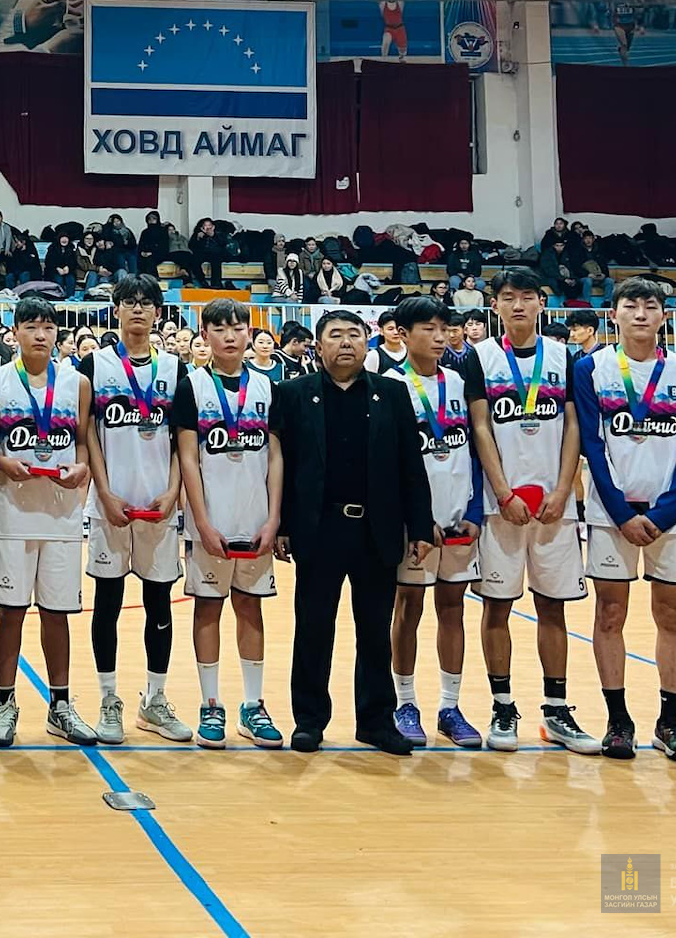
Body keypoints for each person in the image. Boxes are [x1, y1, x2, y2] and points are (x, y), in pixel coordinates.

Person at [270, 309, 433, 755]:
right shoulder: (293, 393)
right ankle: (309, 720)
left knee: (375, 631)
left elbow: (411, 463)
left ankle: (376, 721)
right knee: (313, 629)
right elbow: (283, 466)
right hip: (318, 529)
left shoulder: (391, 393)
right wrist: (283, 525)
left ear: (367, 343)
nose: (346, 342)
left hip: (376, 530)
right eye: (335, 335)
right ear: (319, 345)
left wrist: (420, 526)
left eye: (354, 335)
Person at [573, 277, 676, 763]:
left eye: (651, 306)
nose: (641, 314)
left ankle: (670, 723)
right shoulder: (591, 369)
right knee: (610, 614)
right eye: (631, 305)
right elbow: (592, 444)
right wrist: (622, 512)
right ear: (614, 314)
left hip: (670, 515)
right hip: (613, 514)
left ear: (664, 316)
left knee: (671, 616)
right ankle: (618, 722)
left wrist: (667, 510)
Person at [471, 268, 595, 754]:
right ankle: (502, 707)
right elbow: (481, 426)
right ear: (495, 305)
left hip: (553, 507)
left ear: (542, 303)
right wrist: (503, 492)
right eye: (508, 297)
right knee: (497, 606)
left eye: (527, 296)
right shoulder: (479, 357)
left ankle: (557, 710)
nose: (518, 304)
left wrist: (564, 489)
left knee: (552, 606)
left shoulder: (565, 357)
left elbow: (573, 425)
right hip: (498, 507)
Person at [0, 295, 99, 747]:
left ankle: (60, 705)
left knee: (57, 612)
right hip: (12, 513)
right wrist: (0, 463)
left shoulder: (77, 383)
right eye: (31, 326)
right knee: (10, 612)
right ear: (15, 332)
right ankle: (4, 703)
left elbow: (83, 440)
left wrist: (82, 468)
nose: (40, 335)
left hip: (61, 513)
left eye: (48, 327)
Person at [80, 274, 193, 744]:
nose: (139, 310)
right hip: (110, 505)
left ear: (158, 313)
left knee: (158, 603)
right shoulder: (95, 364)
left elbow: (182, 438)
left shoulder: (176, 368)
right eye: (130, 302)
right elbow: (87, 433)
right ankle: (109, 699)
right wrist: (104, 492)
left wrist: (173, 491)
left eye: (147, 303)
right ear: (117, 310)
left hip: (158, 507)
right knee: (107, 603)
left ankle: (155, 699)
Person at [179, 300, 284, 748]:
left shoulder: (268, 387)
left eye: (238, 327)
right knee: (208, 608)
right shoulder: (192, 387)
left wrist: (274, 517)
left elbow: (275, 456)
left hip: (255, 519)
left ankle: (253, 705)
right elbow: (188, 458)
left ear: (249, 334)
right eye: (219, 328)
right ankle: (210, 704)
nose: (229, 335)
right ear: (204, 334)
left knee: (250, 607)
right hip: (210, 522)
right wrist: (201, 521)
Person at [384, 297, 486, 750]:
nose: (441, 337)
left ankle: (450, 705)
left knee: (453, 608)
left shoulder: (459, 382)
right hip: (416, 527)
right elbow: (388, 464)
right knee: (409, 609)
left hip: (460, 520)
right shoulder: (389, 386)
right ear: (403, 334)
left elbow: (476, 450)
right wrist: (419, 521)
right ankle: (405, 703)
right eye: (429, 328)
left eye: (445, 328)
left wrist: (475, 512)